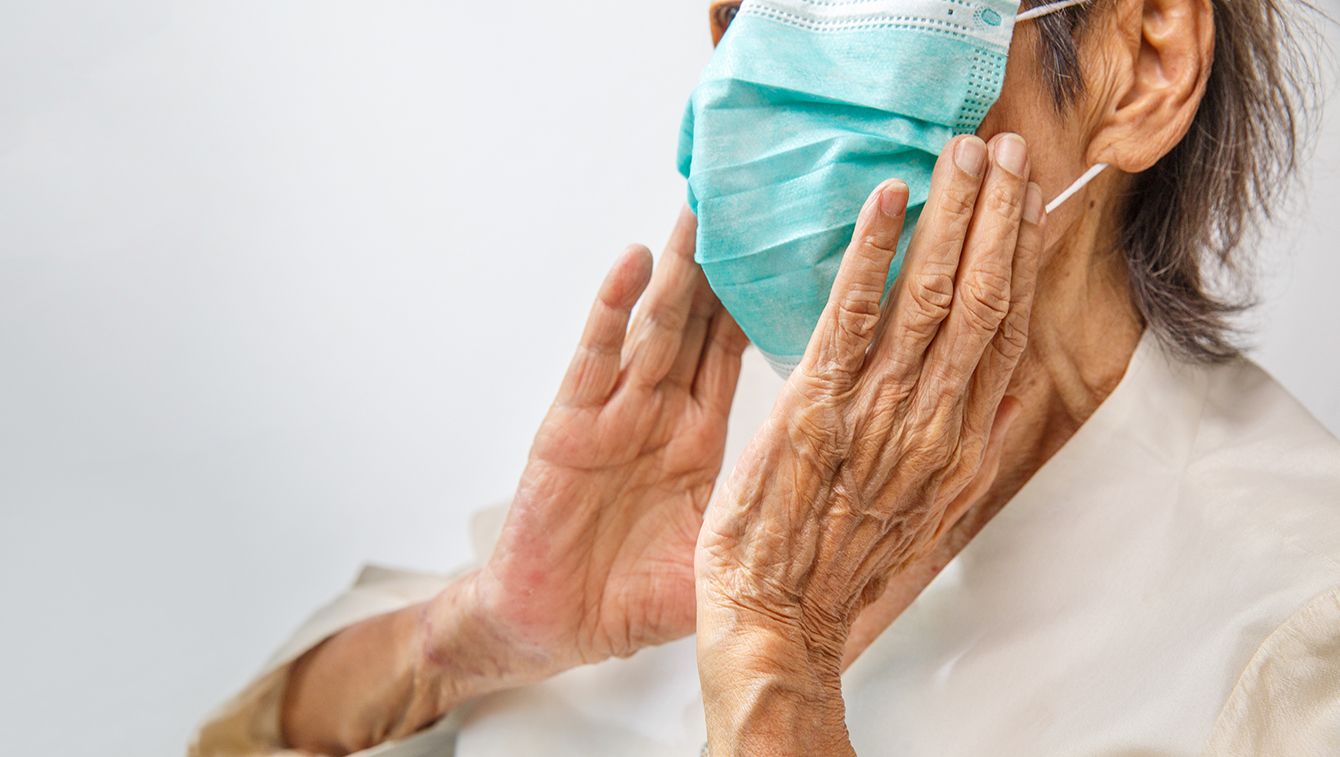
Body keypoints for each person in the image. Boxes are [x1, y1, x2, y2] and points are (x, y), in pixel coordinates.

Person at [192, 0, 1340, 755]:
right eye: (748, 9)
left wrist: (776, 676)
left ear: (1142, 63)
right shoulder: (703, 437)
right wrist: (473, 632)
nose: (766, 62)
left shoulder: (1292, 627)